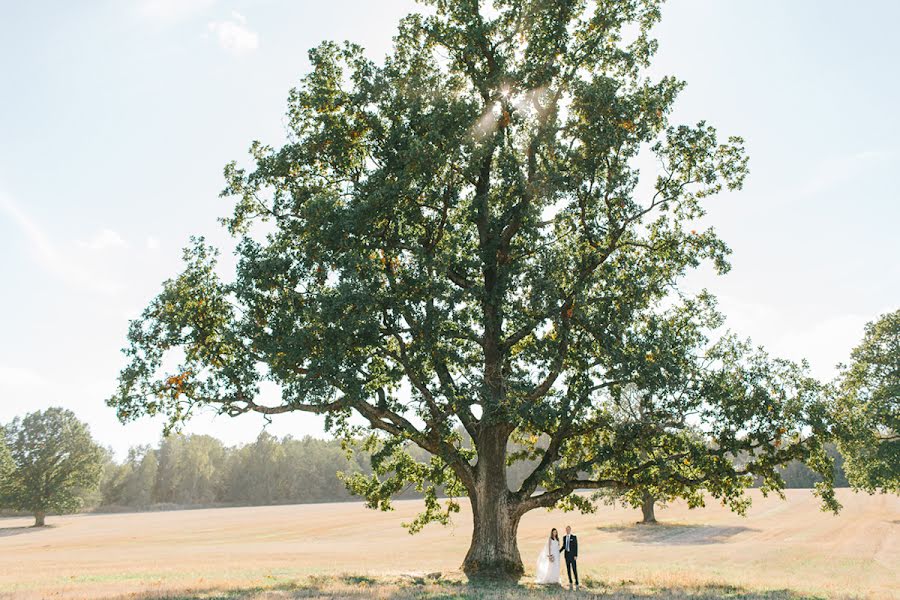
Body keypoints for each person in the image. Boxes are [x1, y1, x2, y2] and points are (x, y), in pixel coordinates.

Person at [561, 525, 579, 589]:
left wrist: (575, 555)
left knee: (574, 569)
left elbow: (576, 546)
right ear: (566, 530)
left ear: (570, 530)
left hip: (572, 556)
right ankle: (570, 581)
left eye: (568, 529)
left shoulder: (574, 537)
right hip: (567, 556)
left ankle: (577, 582)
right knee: (568, 569)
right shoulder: (564, 537)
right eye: (566, 529)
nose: (567, 530)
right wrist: (558, 552)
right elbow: (564, 546)